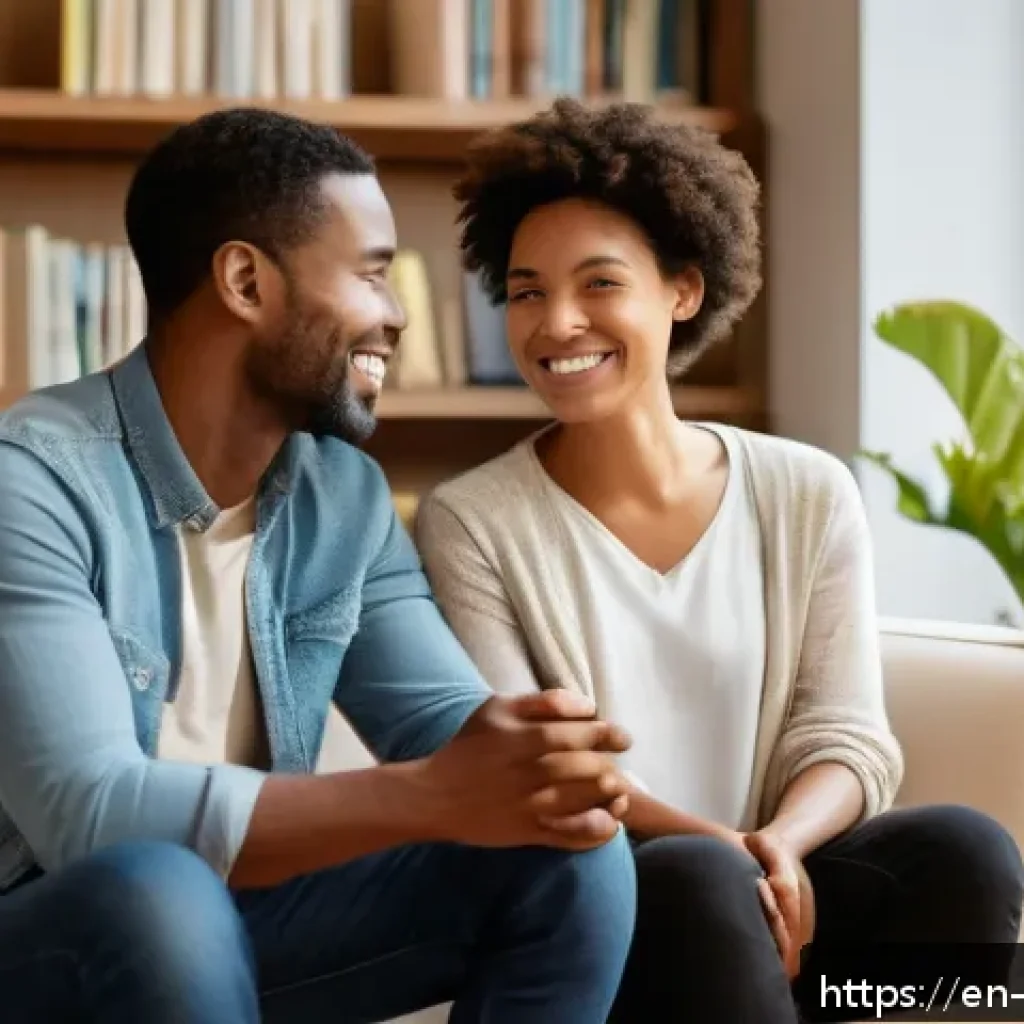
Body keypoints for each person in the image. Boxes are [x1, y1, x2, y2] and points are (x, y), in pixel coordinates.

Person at [0, 107, 642, 1024]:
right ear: (245, 282)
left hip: (227, 928)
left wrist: (541, 765)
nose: (396, 315)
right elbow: (88, 814)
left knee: (567, 849)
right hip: (51, 936)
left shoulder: (343, 497)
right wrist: (427, 796)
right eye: (373, 275)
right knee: (158, 894)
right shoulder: (33, 482)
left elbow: (455, 741)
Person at [413, 97, 1024, 1022]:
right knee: (699, 877)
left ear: (684, 291)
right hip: (618, 914)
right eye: (529, 291)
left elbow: (848, 736)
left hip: (781, 901)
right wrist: (728, 852)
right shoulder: (472, 522)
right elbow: (542, 774)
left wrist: (780, 847)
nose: (557, 322)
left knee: (964, 851)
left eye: (600, 283)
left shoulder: (805, 491)